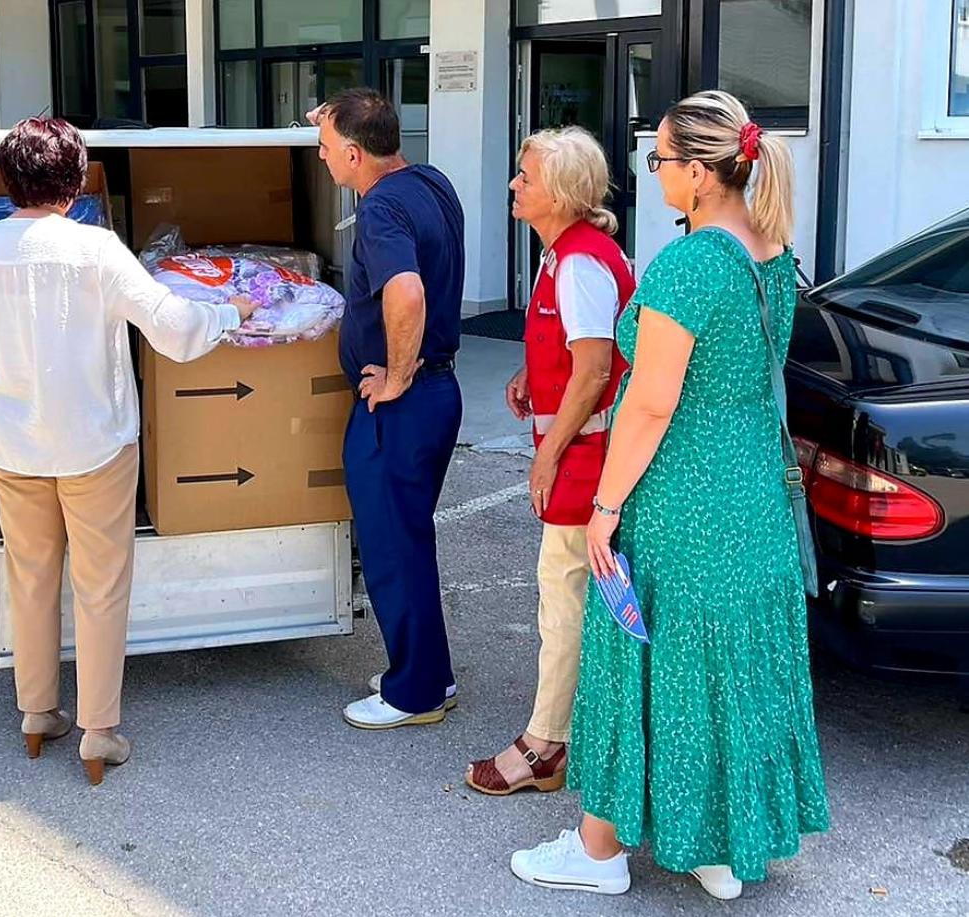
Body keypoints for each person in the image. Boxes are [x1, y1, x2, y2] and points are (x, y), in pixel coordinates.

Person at [509, 91, 830, 898]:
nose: (653, 172)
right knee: (724, 670)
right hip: (752, 493)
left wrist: (605, 507)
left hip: (682, 497)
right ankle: (715, 845)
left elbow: (651, 405)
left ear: (699, 174)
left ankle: (597, 852)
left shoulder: (688, 265)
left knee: (642, 659)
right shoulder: (772, 251)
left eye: (660, 159)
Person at [0, 118, 255, 784]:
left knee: (31, 578)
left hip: (14, 443)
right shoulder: (96, 249)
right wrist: (230, 311)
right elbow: (174, 329)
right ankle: (99, 731)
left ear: (9, 181)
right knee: (100, 586)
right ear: (75, 180)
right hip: (95, 442)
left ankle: (37, 713)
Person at [465, 127, 633, 795]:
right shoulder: (567, 253)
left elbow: (594, 370)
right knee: (570, 596)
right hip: (586, 449)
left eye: (526, 176)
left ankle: (545, 745)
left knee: (562, 600)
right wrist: (529, 373)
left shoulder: (580, 262)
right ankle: (568, 734)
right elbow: (573, 350)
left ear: (559, 195)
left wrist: (548, 457)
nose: (514, 184)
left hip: (586, 457)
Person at [311, 88, 465, 729]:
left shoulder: (378, 210)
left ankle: (414, 695)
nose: (321, 157)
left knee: (391, 547)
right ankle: (428, 672)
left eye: (325, 147)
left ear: (354, 154)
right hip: (439, 394)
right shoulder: (430, 182)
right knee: (410, 539)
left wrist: (398, 375)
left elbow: (405, 290)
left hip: (403, 406)